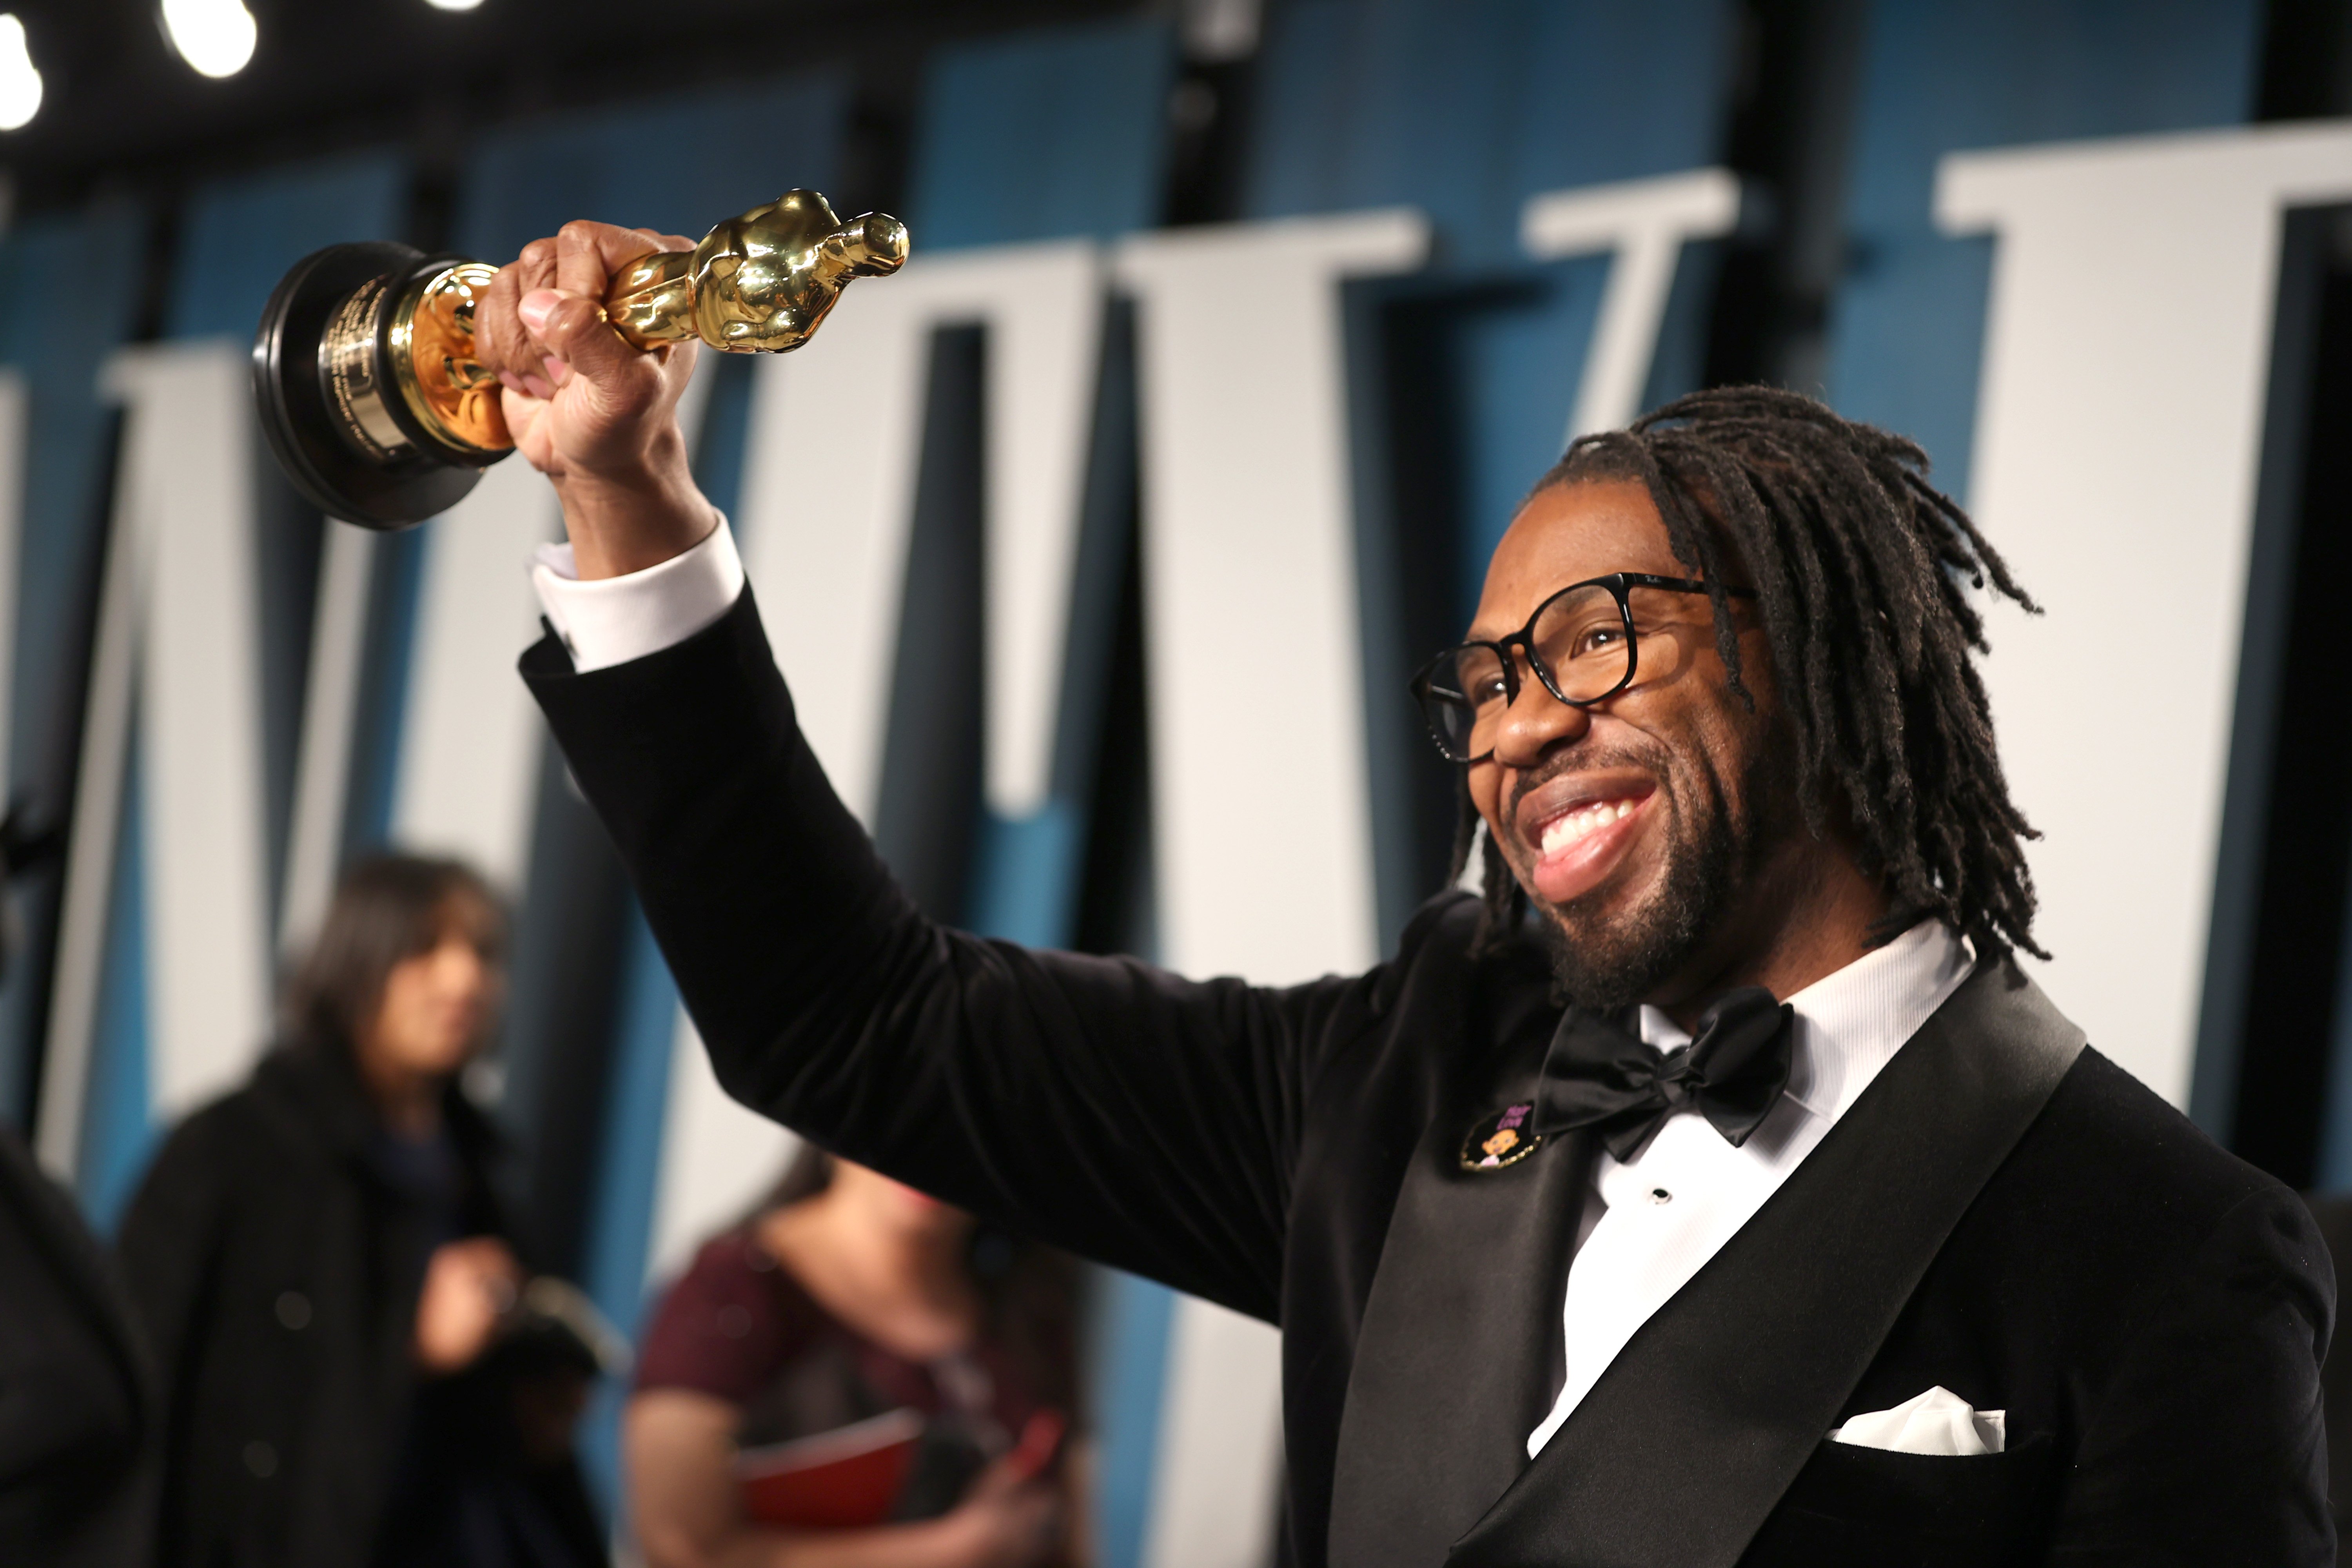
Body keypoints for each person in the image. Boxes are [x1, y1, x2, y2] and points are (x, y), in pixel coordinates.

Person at [479, 220, 2332, 1565]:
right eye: (1485, 680)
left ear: (1830, 659)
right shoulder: (1403, 1074)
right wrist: (628, 504)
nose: (1517, 726)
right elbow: (857, 1021)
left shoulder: (2166, 1251)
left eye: (1591, 638)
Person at [117, 853, 606, 1568]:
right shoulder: (234, 1147)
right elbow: (144, 1380)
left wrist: (528, 1403)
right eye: (424, 947)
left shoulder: (480, 1169)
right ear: (355, 962)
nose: (463, 978)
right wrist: (410, 1340)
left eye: (484, 952)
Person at [626, 1147, 1083, 1567]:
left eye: (960, 1122)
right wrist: (953, 1551)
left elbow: (1076, 1537)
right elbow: (681, 1547)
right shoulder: (737, 1292)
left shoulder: (1028, 1312)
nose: (929, 1148)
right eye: (903, 1109)